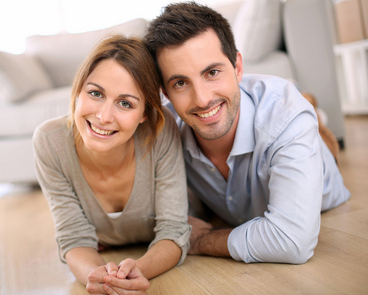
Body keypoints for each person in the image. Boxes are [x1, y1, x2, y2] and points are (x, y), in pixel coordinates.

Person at [144, 2, 350, 264]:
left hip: (318, 159)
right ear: (165, 93)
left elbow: (291, 241)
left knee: (313, 123)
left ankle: (313, 112)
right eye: (180, 83)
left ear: (238, 68)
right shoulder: (165, 127)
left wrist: (202, 241)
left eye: (212, 72)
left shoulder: (286, 115)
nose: (202, 98)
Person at [33, 35, 191, 295]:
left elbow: (173, 232)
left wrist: (137, 271)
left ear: (144, 114)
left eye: (125, 103)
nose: (104, 117)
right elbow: (74, 239)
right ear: (78, 90)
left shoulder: (161, 131)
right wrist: (100, 280)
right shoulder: (50, 142)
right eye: (95, 93)